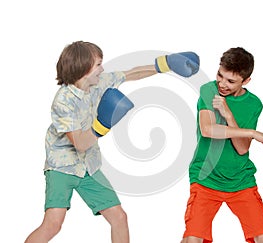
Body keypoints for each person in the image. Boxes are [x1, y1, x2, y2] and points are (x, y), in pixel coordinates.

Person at [24, 41, 199, 243]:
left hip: (89, 166)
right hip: (61, 168)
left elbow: (131, 73)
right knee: (53, 225)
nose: (102, 68)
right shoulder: (64, 100)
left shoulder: (98, 83)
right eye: (98, 64)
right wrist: (103, 124)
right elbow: (80, 143)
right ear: (83, 68)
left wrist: (165, 65)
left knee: (119, 217)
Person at [181, 47, 263, 243]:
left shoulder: (253, 104)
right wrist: (252, 133)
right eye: (220, 75)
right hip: (206, 177)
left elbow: (242, 148)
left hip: (240, 180)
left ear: (246, 81)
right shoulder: (209, 90)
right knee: (193, 239)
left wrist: (228, 114)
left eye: (231, 81)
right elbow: (208, 130)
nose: (222, 84)